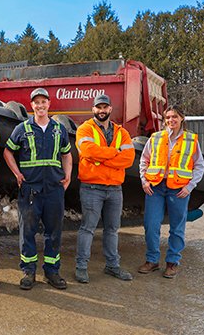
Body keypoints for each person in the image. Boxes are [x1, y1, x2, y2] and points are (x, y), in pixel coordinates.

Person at [3, 88, 72, 290]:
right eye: (36, 102)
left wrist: (68, 175)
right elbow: (8, 152)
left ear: (49, 104)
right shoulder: (22, 129)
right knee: (28, 232)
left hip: (54, 189)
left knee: (54, 232)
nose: (40, 106)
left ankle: (52, 271)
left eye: (43, 102)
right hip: (30, 190)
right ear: (31, 105)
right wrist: (17, 173)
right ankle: (29, 271)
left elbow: (67, 154)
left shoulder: (59, 129)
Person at [74, 94, 136, 283]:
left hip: (115, 189)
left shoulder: (121, 132)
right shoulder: (85, 129)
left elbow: (129, 158)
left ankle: (112, 266)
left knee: (112, 229)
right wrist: (114, 154)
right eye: (98, 107)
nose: (102, 110)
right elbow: (87, 151)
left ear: (110, 109)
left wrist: (102, 159)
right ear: (93, 109)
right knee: (88, 228)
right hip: (92, 187)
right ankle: (81, 267)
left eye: (105, 107)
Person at [138, 105, 204, 278]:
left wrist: (189, 186)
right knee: (151, 225)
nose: (171, 120)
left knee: (177, 227)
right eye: (167, 117)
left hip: (178, 189)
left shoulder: (191, 140)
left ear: (182, 118)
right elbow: (144, 160)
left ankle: (172, 262)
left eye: (174, 117)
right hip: (155, 188)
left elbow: (199, 165)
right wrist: (144, 181)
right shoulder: (155, 138)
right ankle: (152, 260)